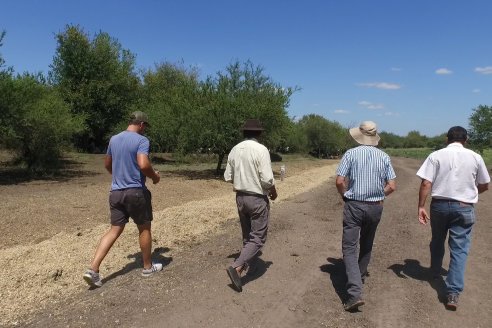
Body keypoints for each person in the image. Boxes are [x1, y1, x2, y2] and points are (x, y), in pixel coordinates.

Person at [83, 111, 162, 288]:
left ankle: (93, 270)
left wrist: (117, 175)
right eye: (145, 127)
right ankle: (147, 267)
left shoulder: (114, 139)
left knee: (114, 230)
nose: (145, 130)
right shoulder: (142, 140)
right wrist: (154, 177)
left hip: (116, 193)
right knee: (144, 228)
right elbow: (143, 164)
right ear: (141, 124)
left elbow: (107, 164)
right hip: (135, 192)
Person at [416, 126, 489, 310]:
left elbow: (426, 182)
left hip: (439, 205)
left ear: (447, 139)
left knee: (438, 239)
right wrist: (471, 192)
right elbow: (485, 184)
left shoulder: (436, 155)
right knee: (459, 248)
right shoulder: (475, 157)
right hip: (464, 207)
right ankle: (453, 293)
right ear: (466, 140)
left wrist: (421, 206)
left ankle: (434, 270)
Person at [335, 121, 396, 311]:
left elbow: (339, 181)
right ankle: (359, 277)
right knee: (367, 243)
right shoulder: (384, 157)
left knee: (349, 247)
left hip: (354, 205)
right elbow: (392, 186)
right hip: (375, 206)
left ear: (359, 136)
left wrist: (345, 194)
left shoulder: (351, 154)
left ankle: (354, 293)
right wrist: (378, 195)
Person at [224, 119, 278, 292]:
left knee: (248, 235)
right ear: (259, 133)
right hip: (256, 198)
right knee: (258, 237)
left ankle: (244, 268)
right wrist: (273, 190)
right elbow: (267, 179)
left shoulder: (234, 149)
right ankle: (237, 266)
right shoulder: (261, 150)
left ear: (244, 133)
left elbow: (228, 176)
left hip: (240, 197)